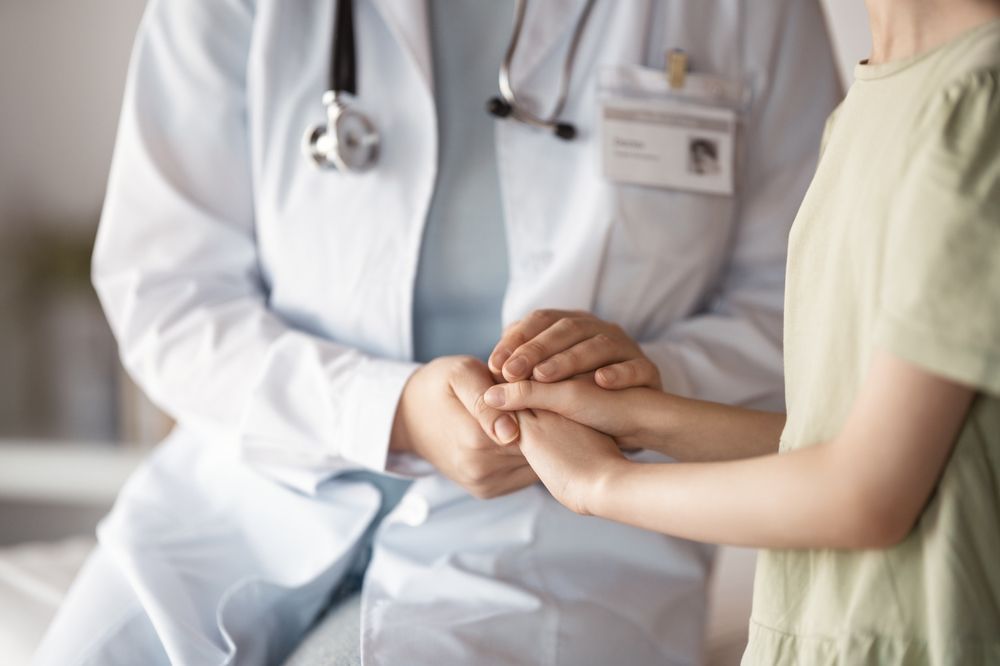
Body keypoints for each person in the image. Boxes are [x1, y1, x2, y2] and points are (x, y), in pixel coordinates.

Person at [35, 1, 840, 664]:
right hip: (257, 478)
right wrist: (392, 411)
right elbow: (168, 290)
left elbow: (802, 303)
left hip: (565, 526)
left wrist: (639, 383)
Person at [484, 1, 1000, 663]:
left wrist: (600, 485)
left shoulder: (975, 104)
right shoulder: (876, 98)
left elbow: (865, 496)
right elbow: (839, 442)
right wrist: (641, 417)